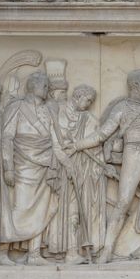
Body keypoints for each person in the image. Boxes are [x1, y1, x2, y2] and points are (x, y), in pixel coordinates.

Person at [67, 69, 140, 264]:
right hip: (132, 155)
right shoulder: (122, 108)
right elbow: (102, 135)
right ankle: (108, 250)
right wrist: (77, 145)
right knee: (123, 203)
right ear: (136, 85)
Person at [0, 71, 58, 266]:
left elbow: (56, 137)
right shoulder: (17, 106)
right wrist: (8, 167)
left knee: (43, 207)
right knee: (19, 207)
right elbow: (7, 137)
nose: (47, 89)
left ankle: (34, 253)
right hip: (22, 162)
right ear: (33, 86)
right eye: (45, 85)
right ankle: (2, 250)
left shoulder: (49, 110)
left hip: (45, 162)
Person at [49, 84, 110, 263]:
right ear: (77, 96)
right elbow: (56, 143)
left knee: (77, 210)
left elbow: (97, 141)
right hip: (64, 169)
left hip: (84, 171)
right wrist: (68, 164)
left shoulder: (89, 119)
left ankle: (74, 251)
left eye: (92, 101)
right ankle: (69, 251)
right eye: (88, 100)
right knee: (67, 209)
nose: (89, 104)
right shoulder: (57, 114)